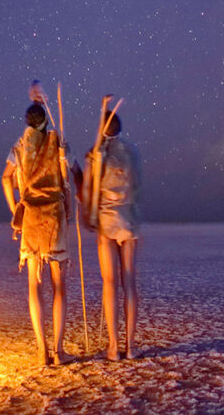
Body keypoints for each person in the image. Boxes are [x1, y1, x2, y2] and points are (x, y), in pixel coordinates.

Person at [2, 101, 78, 365]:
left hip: (32, 217)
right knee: (59, 287)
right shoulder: (56, 141)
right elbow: (70, 170)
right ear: (44, 119)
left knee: (34, 285)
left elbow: (5, 178)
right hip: (54, 216)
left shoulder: (20, 146)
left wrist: (17, 210)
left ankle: (41, 352)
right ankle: (58, 351)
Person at [83, 97, 142, 360]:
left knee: (110, 283)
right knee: (129, 282)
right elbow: (137, 186)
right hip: (129, 220)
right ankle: (130, 347)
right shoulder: (131, 152)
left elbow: (88, 188)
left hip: (106, 222)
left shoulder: (96, 154)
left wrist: (88, 215)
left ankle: (114, 347)